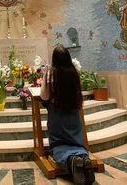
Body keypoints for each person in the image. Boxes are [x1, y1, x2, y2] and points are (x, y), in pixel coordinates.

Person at [40, 45, 95, 185]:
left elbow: (44, 96)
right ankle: (83, 158)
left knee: (58, 144)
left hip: (57, 114)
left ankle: (71, 161)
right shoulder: (73, 72)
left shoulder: (51, 73)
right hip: (73, 114)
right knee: (76, 141)